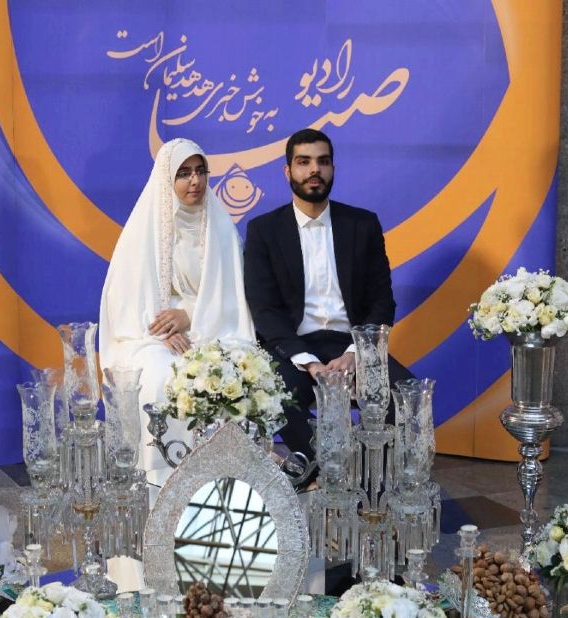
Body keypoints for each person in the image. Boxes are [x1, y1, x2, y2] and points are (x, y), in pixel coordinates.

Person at [243, 128, 413, 472]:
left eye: (323, 162)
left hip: (352, 344)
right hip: (294, 348)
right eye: (303, 162)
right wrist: (310, 363)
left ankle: (374, 478)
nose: (314, 170)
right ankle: (326, 472)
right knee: (273, 398)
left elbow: (383, 301)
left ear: (333, 168)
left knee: (405, 397)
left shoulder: (362, 224)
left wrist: (355, 354)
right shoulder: (264, 230)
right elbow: (264, 309)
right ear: (287, 171)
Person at [99, 138, 255, 487]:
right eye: (184, 174)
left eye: (200, 171)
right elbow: (124, 301)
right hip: (149, 335)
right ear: (167, 180)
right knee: (158, 375)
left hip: (215, 329)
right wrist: (164, 329)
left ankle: (222, 478)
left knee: (233, 369)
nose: (195, 181)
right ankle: (160, 481)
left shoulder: (221, 228)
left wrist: (190, 316)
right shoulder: (144, 229)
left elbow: (234, 297)